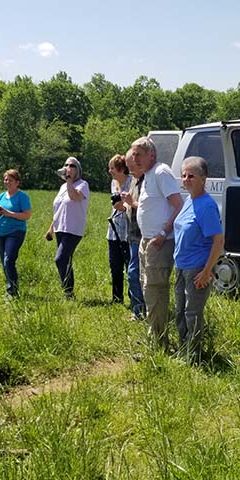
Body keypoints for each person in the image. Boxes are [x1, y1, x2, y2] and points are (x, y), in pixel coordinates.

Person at [122, 137, 182, 345]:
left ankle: (159, 341)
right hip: (146, 240)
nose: (135, 159)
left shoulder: (160, 172)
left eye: (139, 154)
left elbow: (178, 204)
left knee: (155, 288)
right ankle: (154, 335)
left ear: (151, 155)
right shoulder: (147, 175)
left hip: (159, 242)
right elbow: (153, 206)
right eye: (134, 154)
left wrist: (163, 233)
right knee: (146, 287)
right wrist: (133, 203)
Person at [172, 157, 224, 356]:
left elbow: (218, 241)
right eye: (184, 175)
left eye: (191, 176)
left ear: (203, 179)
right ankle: (183, 348)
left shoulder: (207, 205)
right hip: (181, 266)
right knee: (179, 311)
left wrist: (206, 271)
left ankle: (193, 355)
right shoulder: (189, 200)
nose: (186, 179)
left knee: (192, 313)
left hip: (197, 269)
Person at [45, 157, 89, 299]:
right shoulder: (63, 187)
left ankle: (67, 290)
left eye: (72, 166)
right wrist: (51, 229)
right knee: (67, 260)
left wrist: (70, 181)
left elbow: (74, 197)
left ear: (78, 169)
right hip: (60, 228)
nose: (68, 167)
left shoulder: (83, 184)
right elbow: (59, 209)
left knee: (60, 259)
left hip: (74, 229)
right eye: (66, 165)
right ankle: (69, 293)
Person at [0, 168, 32, 298]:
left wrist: (9, 213)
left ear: (17, 182)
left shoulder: (22, 197)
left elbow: (27, 216)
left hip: (16, 232)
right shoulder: (1, 196)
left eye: (10, 180)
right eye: (5, 179)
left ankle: (13, 291)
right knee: (4, 262)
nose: (7, 182)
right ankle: (10, 285)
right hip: (1, 232)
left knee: (9, 260)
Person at [122, 149, 146, 320]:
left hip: (141, 235)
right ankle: (139, 310)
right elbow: (132, 206)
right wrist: (124, 207)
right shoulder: (134, 181)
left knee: (134, 273)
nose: (130, 170)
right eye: (128, 166)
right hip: (132, 234)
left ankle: (140, 311)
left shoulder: (147, 181)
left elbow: (147, 208)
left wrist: (132, 203)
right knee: (133, 273)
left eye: (132, 166)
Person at [106, 154, 132, 304]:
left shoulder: (132, 182)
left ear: (121, 169)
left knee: (130, 267)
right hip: (114, 229)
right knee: (115, 266)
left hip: (128, 230)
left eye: (112, 168)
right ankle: (117, 298)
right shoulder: (113, 183)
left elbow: (130, 203)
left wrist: (124, 207)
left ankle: (133, 297)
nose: (110, 171)